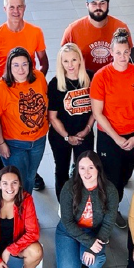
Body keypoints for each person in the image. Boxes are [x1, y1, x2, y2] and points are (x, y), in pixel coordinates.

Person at [0, 0, 48, 191]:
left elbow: (43, 62)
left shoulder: (35, 32)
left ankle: (29, 175)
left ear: (24, 8)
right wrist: (0, 89)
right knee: (3, 132)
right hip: (6, 89)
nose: (16, 11)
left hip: (28, 88)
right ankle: (1, 174)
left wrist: (34, 83)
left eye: (19, 7)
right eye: (12, 7)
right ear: (5, 9)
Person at [91, 28, 134, 228]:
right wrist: (116, 138)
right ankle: (110, 210)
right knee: (111, 177)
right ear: (111, 53)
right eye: (118, 52)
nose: (122, 56)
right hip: (110, 136)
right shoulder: (101, 76)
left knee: (124, 175)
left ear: (130, 51)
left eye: (126, 52)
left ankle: (114, 200)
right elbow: (98, 112)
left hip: (133, 135)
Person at [0, 47, 49, 195]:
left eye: (24, 64)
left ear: (30, 65)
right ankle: (17, 211)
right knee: (17, 180)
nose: (21, 69)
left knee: (30, 175)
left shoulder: (39, 77)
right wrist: (1, 143)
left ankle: (25, 207)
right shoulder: (0, 89)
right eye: (16, 65)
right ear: (9, 67)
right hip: (15, 143)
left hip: (39, 140)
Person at [55, 151, 119, 268]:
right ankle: (76, 254)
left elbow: (108, 222)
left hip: (94, 231)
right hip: (68, 231)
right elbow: (67, 221)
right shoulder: (68, 188)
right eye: (82, 168)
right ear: (77, 170)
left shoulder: (110, 190)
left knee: (95, 263)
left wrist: (92, 247)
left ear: (98, 169)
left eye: (91, 167)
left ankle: (84, 257)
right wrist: (89, 243)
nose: (86, 172)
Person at [48, 43, 95, 202]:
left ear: (80, 60)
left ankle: (83, 202)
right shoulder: (55, 84)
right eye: (65, 61)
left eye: (74, 60)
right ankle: (64, 204)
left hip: (84, 134)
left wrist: (88, 128)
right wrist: (68, 137)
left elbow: (96, 109)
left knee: (85, 169)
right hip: (61, 136)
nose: (70, 65)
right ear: (60, 63)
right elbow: (52, 117)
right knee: (61, 170)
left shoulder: (91, 78)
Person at [61, 0, 134, 74]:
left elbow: (130, 56)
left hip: (113, 79)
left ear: (108, 4)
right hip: (84, 80)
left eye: (102, 3)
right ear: (87, 5)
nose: (98, 7)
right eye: (93, 3)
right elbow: (62, 60)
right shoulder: (72, 30)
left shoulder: (121, 28)